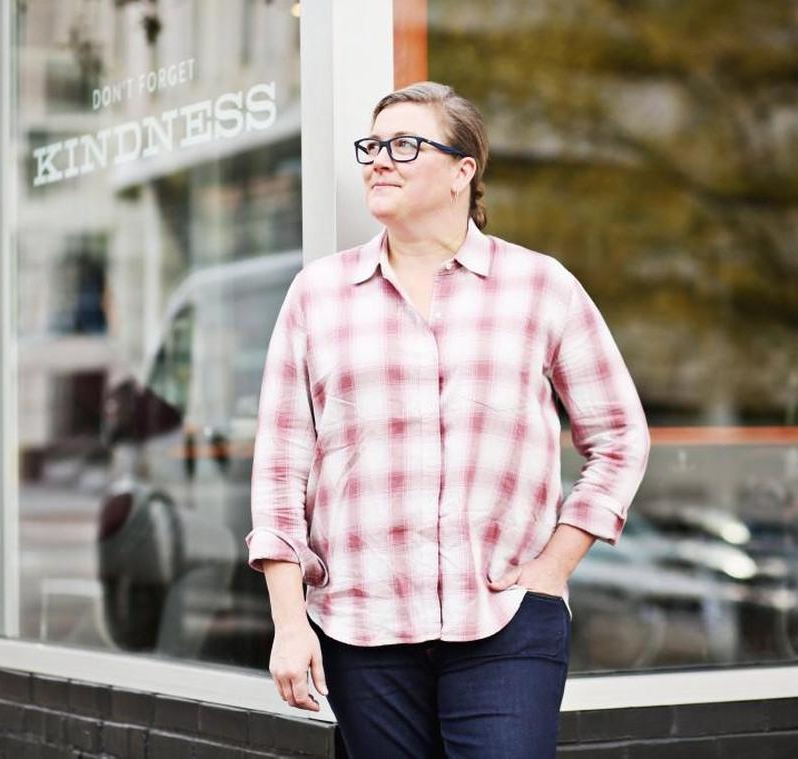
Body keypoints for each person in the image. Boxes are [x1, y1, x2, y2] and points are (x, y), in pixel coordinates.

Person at [245, 81, 651, 758]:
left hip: (504, 624)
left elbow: (619, 435)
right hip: (359, 628)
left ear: (464, 170)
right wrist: (290, 623)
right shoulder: (318, 294)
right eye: (372, 145)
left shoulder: (539, 286)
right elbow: (282, 465)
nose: (380, 159)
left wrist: (555, 563)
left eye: (405, 144)